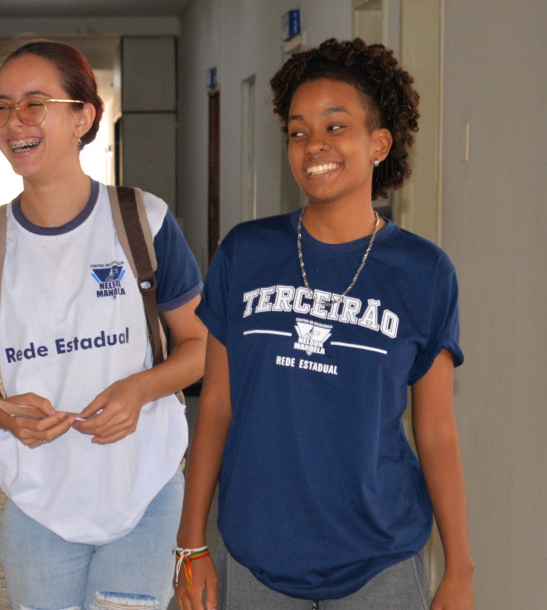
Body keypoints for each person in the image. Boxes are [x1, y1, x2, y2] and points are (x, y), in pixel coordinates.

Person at [174, 38, 474, 609]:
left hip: (379, 557)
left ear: (378, 143)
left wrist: (459, 568)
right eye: (298, 130)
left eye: (336, 127)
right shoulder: (246, 253)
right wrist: (192, 543)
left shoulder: (424, 273)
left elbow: (435, 430)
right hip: (257, 551)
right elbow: (214, 405)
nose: (314, 145)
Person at [0, 40, 207, 609]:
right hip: (39, 499)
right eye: (0, 107)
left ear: (82, 116)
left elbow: (199, 346)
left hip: (145, 491)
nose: (14, 121)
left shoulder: (143, 221)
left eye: (35, 103)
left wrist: (140, 389)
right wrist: (3, 413)